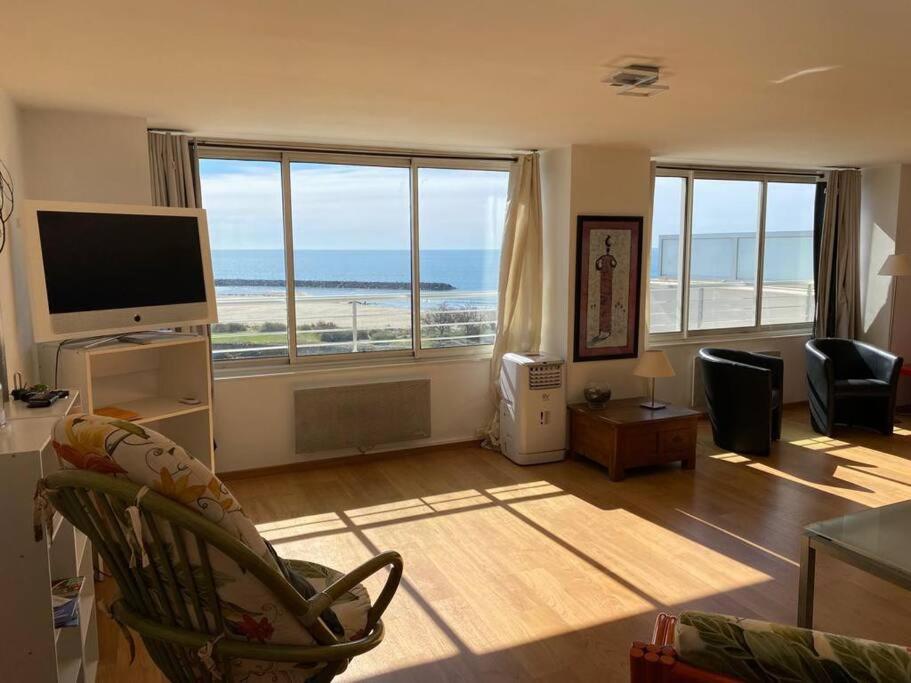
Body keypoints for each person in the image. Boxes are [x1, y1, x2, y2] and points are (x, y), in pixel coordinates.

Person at [594, 235, 617, 341]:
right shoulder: (609, 258)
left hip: (606, 285)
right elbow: (614, 264)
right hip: (606, 285)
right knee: (605, 307)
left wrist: (601, 266)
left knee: (605, 307)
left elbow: (597, 265)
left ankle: (605, 330)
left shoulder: (603, 258)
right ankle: (604, 330)